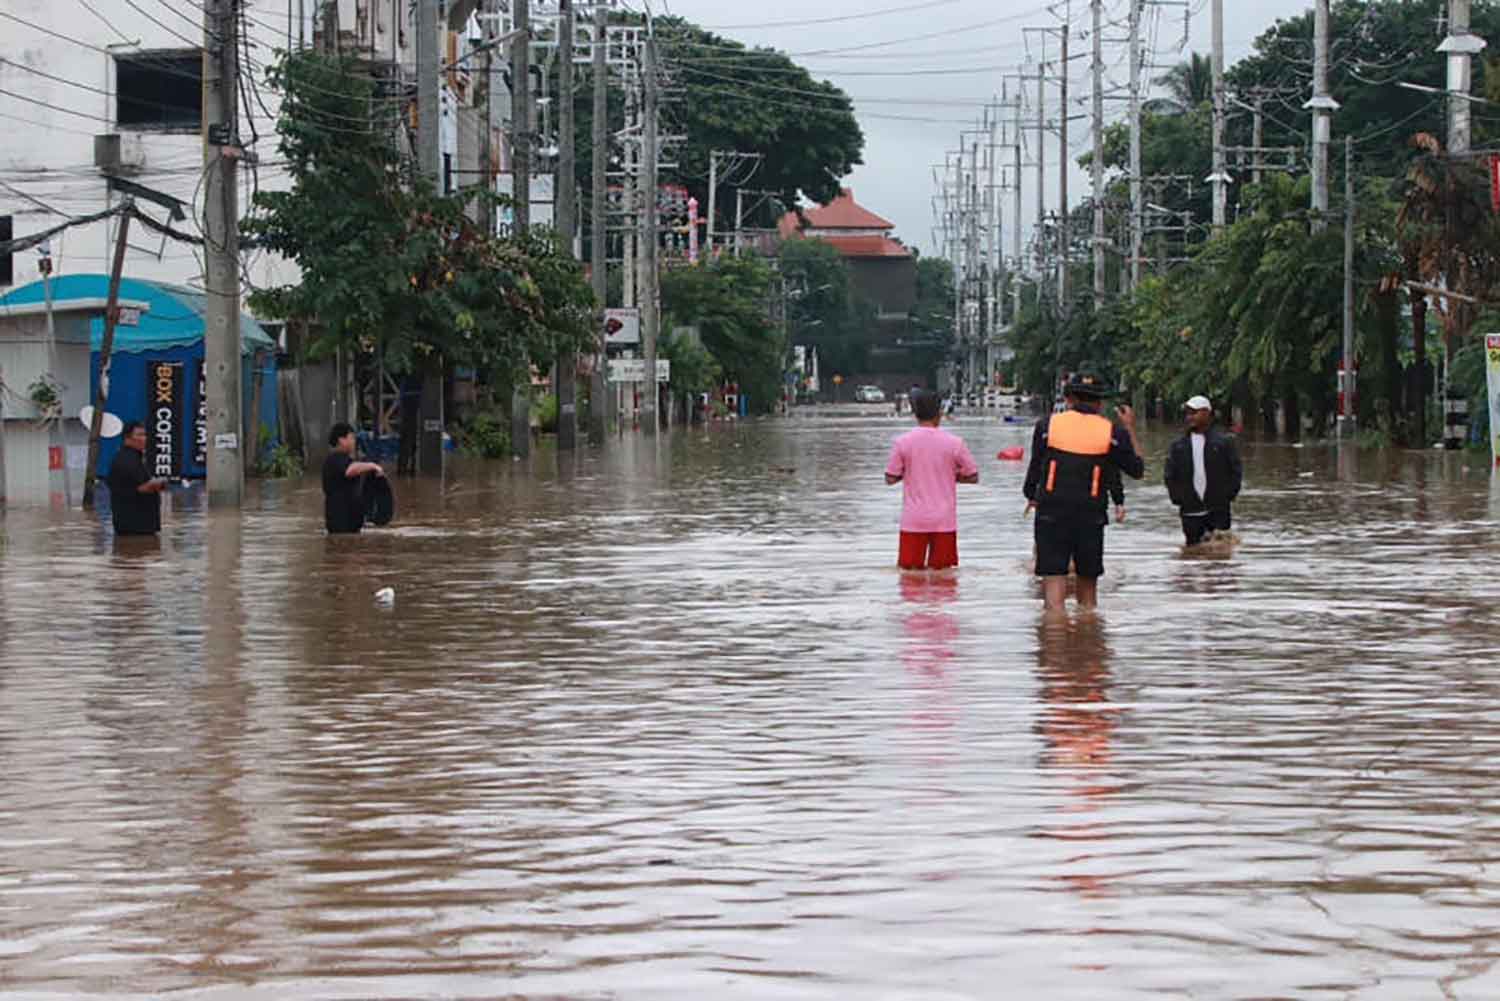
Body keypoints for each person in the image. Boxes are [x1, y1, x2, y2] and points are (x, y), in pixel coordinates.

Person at [1023, 372, 1145, 611]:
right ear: (1100, 403)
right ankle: (1088, 640)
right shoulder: (1111, 432)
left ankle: (1054, 641)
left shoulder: (1046, 426)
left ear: (1069, 399)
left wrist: (1032, 497)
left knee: (1053, 593)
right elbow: (1137, 470)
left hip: (1051, 513)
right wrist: (1129, 428)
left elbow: (1033, 474)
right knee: (1088, 596)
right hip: (1090, 516)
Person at [885, 388, 979, 571]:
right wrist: (951, 475)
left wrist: (910, 472)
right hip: (944, 521)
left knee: (910, 577)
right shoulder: (955, 443)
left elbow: (890, 477)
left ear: (915, 414)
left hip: (913, 520)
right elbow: (973, 475)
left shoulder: (903, 442)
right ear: (939, 414)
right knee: (944, 578)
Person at [1164, 394, 1243, 545]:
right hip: (1190, 511)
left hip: (1218, 510)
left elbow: (1235, 471)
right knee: (1193, 553)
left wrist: (1228, 496)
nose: (1190, 417)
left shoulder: (1223, 443)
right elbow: (1170, 475)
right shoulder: (1178, 446)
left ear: (1207, 413)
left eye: (1194, 413)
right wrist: (1178, 498)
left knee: (1221, 554)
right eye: (1188, 413)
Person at [106, 421, 169, 536]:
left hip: (139, 526)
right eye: (139, 435)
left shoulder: (135, 458)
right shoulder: (126, 460)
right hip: (135, 528)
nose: (144, 438)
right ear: (127, 438)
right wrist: (157, 485)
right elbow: (139, 488)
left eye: (145, 435)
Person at [322, 422, 386, 534]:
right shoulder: (334, 459)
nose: (354, 442)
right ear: (341, 440)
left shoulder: (345, 459)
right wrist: (372, 465)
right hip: (340, 524)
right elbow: (349, 470)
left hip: (350, 526)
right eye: (351, 438)